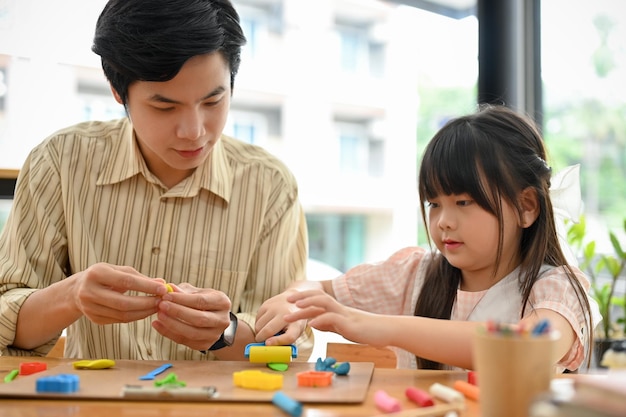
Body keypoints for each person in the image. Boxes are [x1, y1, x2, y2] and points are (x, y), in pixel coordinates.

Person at [0, 0, 311, 360]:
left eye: (213, 101)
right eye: (165, 107)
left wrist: (225, 333)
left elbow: (290, 350)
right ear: (118, 92)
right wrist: (71, 297)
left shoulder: (269, 186)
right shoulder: (59, 163)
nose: (194, 132)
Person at [276, 105, 599, 371]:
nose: (443, 221)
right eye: (434, 204)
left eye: (463, 202)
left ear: (526, 206)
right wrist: (291, 301)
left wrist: (382, 325)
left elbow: (525, 348)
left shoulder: (556, 290)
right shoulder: (413, 274)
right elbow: (319, 288)